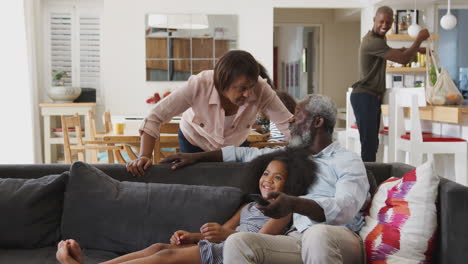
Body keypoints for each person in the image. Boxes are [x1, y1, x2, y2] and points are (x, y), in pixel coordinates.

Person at [161, 94, 369, 263]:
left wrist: (294, 204)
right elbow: (242, 154)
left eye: (297, 115)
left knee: (318, 234)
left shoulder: (347, 160)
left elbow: (345, 207)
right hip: (297, 238)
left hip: (340, 237)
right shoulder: (291, 155)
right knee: (239, 242)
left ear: (318, 122)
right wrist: (194, 156)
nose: (291, 121)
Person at [56, 148, 317, 264]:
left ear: (290, 185)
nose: (268, 181)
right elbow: (221, 231)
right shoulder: (248, 207)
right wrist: (191, 236)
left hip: (235, 256)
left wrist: (226, 235)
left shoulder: (284, 211)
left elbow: (260, 243)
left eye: (278, 177)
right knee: (159, 247)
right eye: (266, 173)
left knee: (165, 257)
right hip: (218, 247)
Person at [127, 50, 293, 176]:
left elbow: (288, 125)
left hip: (233, 145)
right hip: (194, 141)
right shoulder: (199, 85)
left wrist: (313, 156)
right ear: (223, 83)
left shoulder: (261, 89)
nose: (249, 94)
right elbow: (155, 117)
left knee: (234, 186)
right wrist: (144, 156)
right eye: (242, 88)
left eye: (251, 87)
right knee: (196, 183)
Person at [351, 6, 430, 162]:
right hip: (364, 97)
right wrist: (419, 38)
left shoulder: (379, 39)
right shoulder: (372, 42)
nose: (384, 25)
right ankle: (367, 184)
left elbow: (392, 51)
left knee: (372, 145)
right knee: (369, 146)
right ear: (374, 20)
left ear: (393, 22)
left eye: (388, 22)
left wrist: (414, 48)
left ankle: (370, 181)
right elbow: (403, 59)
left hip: (370, 97)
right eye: (381, 21)